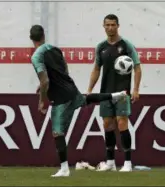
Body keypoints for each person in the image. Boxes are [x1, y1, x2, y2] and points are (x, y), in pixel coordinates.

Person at [30, 24, 127, 177]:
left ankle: (64, 169)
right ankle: (116, 95)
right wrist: (61, 83)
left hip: (60, 97)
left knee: (57, 132)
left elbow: (45, 81)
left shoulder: (36, 57)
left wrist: (42, 101)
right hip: (71, 89)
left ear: (31, 39)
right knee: (85, 100)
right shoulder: (55, 49)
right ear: (43, 36)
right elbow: (63, 69)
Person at [87, 14, 142, 172]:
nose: (110, 28)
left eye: (113, 25)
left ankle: (127, 163)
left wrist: (136, 89)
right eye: (107, 25)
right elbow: (97, 69)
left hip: (123, 92)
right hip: (105, 92)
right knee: (107, 124)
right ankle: (110, 162)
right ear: (103, 26)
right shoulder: (101, 47)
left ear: (118, 26)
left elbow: (137, 67)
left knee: (122, 122)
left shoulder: (126, 45)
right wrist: (90, 90)